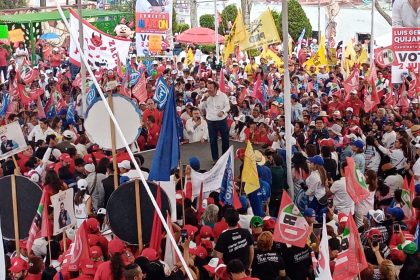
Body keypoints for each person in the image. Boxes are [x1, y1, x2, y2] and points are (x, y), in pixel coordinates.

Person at [199, 79, 230, 162]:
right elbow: (201, 108)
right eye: (208, 87)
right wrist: (204, 100)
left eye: (211, 88)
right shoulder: (205, 96)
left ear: (216, 88)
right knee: (212, 141)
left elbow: (228, 106)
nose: (209, 90)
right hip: (211, 122)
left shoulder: (223, 96)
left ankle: (225, 159)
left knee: (225, 140)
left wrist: (223, 111)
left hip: (222, 121)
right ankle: (215, 159)